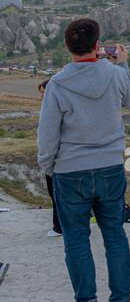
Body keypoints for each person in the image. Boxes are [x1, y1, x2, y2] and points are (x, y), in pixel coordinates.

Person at [36, 18, 130, 302]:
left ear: (67, 46)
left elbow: (48, 133)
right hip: (109, 165)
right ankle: (120, 300)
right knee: (114, 234)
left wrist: (48, 166)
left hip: (70, 170)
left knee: (77, 237)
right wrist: (123, 65)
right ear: (97, 46)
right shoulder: (114, 74)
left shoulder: (57, 84)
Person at [38, 78, 62, 236]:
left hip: (56, 161)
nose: (41, 97)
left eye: (43, 93)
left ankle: (58, 227)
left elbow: (49, 138)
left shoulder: (52, 110)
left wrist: (46, 164)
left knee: (57, 195)